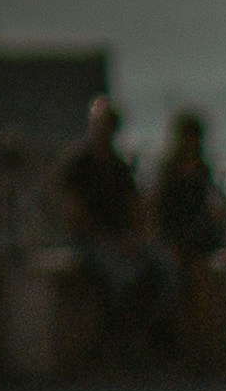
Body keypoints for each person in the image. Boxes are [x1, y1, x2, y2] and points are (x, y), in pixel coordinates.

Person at [54, 97, 167, 363]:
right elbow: (74, 214)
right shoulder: (79, 165)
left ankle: (145, 339)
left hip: (121, 241)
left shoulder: (118, 167)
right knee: (122, 276)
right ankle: (115, 344)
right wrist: (109, 242)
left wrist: (136, 239)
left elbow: (135, 208)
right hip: (91, 243)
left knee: (163, 270)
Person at [151, 108, 226, 364]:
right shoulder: (170, 173)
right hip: (177, 240)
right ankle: (191, 349)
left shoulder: (201, 171)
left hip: (197, 239)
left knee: (198, 280)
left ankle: (199, 349)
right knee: (188, 282)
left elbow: (208, 207)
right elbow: (162, 211)